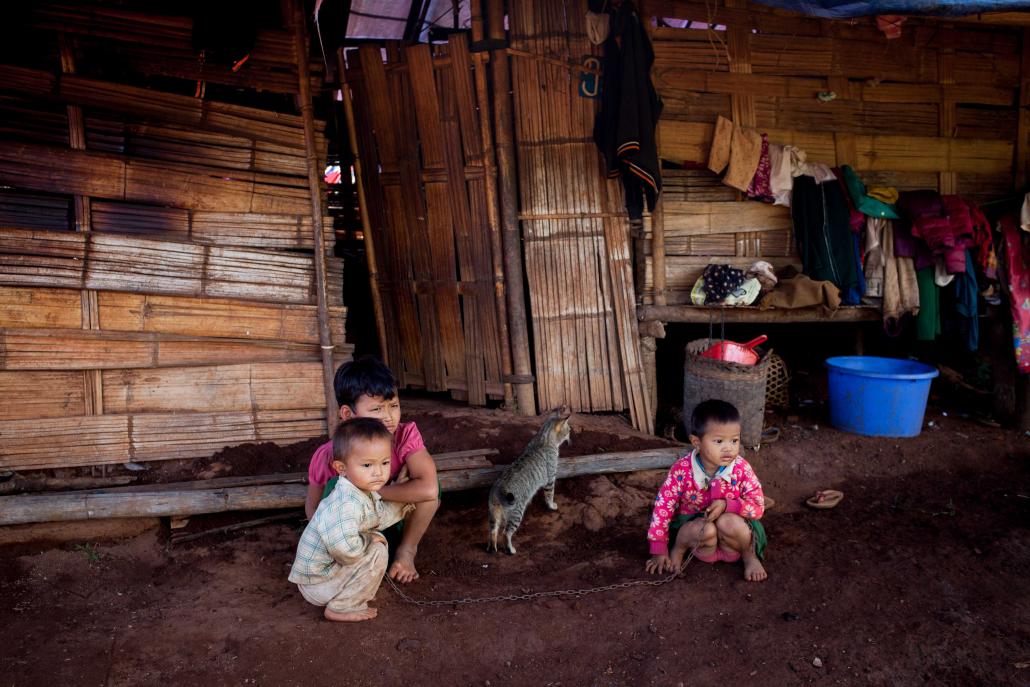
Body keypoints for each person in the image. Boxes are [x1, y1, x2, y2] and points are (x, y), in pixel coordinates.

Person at [304, 356, 439, 584]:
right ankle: (353, 570)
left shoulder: (405, 436)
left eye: (393, 406)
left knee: (430, 495)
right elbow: (314, 507)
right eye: (377, 409)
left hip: (394, 522)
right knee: (332, 488)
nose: (388, 417)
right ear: (347, 415)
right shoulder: (329, 455)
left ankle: (405, 553)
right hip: (352, 537)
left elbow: (428, 489)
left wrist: (378, 492)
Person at [289, 418, 412, 622]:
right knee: (377, 549)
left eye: (385, 462)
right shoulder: (344, 503)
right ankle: (342, 607)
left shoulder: (360, 491)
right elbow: (344, 549)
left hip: (325, 574)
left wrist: (404, 503)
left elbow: (378, 515)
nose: (378, 472)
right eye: (367, 465)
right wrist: (370, 540)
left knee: (373, 539)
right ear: (341, 468)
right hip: (318, 582)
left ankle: (350, 594)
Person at [644, 399, 768, 582]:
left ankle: (749, 556)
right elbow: (663, 508)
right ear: (696, 442)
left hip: (732, 542)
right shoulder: (682, 470)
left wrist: (729, 505)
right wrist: (658, 548)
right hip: (700, 542)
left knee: (729, 521)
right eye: (718, 441)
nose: (729, 448)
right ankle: (677, 551)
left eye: (734, 440)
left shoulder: (741, 468)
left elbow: (758, 508)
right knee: (705, 528)